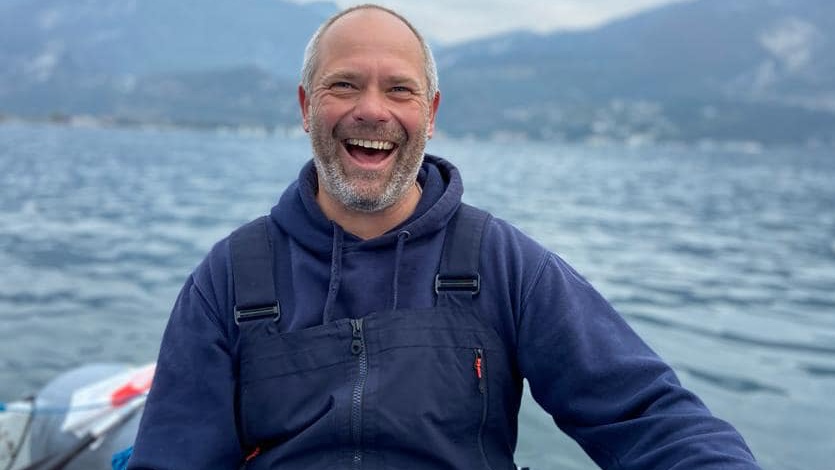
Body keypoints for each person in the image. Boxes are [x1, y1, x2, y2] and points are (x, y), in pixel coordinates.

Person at [128, 4, 761, 469]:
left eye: (399, 89)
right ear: (304, 107)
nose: (372, 109)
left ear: (429, 114)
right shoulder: (231, 276)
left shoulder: (504, 264)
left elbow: (649, 416)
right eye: (343, 84)